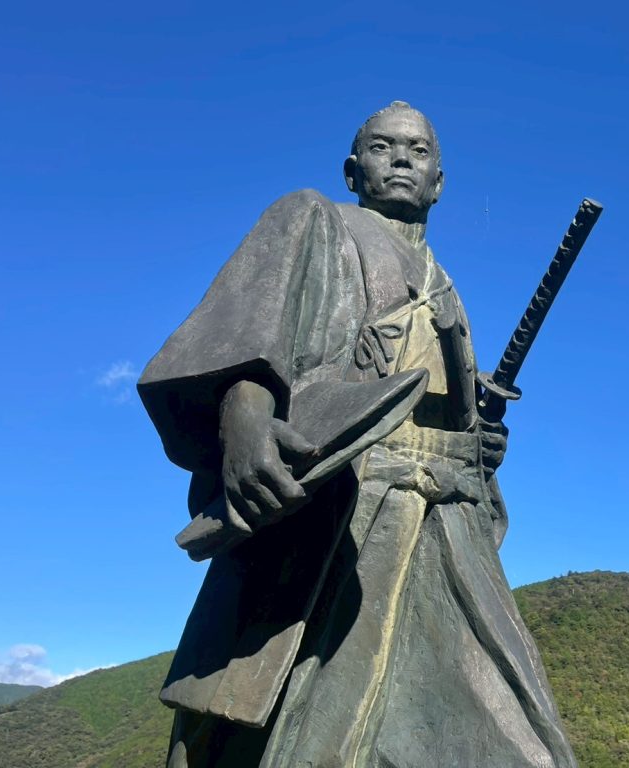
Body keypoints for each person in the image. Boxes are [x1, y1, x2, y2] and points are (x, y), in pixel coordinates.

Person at [139, 102, 578, 768]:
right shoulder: (314, 221)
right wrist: (247, 422)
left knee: (517, 741)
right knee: (299, 736)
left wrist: (480, 450)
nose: (402, 158)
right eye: (382, 146)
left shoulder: (446, 288)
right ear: (352, 170)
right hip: (343, 513)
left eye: (419, 151)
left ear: (439, 181)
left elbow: (451, 424)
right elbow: (251, 331)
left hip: (445, 530)